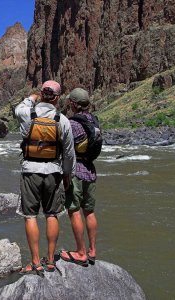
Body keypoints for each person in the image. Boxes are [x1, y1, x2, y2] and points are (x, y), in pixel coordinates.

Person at [15, 80, 76, 276]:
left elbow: (19, 108)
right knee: (52, 214)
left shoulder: (26, 114)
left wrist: (31, 98)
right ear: (57, 98)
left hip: (30, 171)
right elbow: (69, 153)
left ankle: (35, 262)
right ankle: (50, 260)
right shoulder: (63, 120)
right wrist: (68, 176)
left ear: (42, 94)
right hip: (53, 172)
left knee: (30, 216)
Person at [60, 88, 100, 266]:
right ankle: (92, 250)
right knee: (89, 211)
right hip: (90, 170)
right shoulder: (94, 120)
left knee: (74, 210)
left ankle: (81, 252)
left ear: (73, 104)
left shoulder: (71, 123)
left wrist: (65, 174)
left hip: (76, 171)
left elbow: (67, 151)